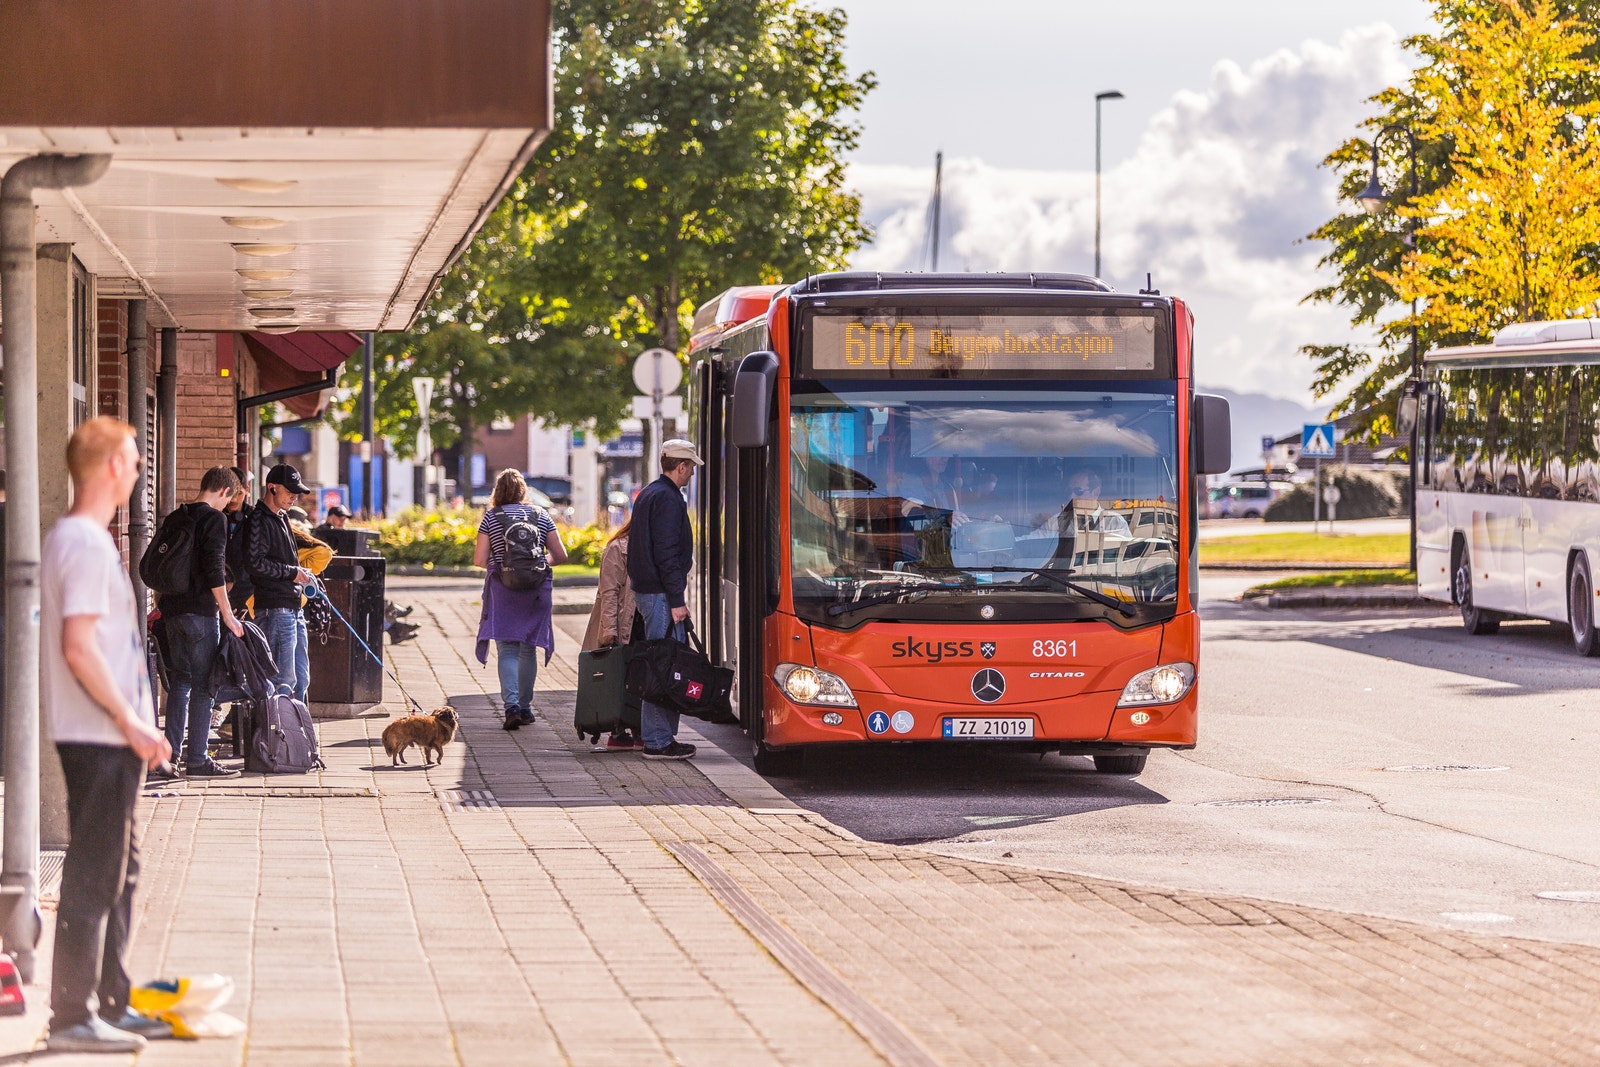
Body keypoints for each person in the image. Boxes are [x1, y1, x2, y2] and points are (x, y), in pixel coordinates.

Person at [41, 417, 174, 1053]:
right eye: (134, 459)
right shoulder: (85, 545)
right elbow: (80, 647)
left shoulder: (81, 539)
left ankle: (111, 1000)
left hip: (108, 730)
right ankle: (72, 1015)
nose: (140, 470)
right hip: (99, 733)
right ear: (112, 467)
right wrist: (131, 722)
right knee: (97, 870)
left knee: (119, 871)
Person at [154, 466, 246, 780]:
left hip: (172, 611)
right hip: (201, 613)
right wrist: (227, 613)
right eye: (229, 500)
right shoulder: (214, 519)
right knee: (206, 686)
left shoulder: (176, 517)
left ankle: (169, 756)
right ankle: (197, 759)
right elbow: (214, 571)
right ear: (224, 491)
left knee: (180, 682)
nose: (227, 507)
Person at [474, 469, 567, 730]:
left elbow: (480, 559)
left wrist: (504, 566)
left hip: (503, 590)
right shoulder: (541, 515)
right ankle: (526, 708)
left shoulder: (491, 517)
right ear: (523, 491)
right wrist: (538, 565)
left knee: (507, 649)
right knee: (529, 647)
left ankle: (511, 706)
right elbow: (561, 555)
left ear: (497, 492)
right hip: (536, 590)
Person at [627, 440, 703, 760]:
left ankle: (659, 736)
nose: (692, 473)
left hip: (649, 591)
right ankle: (658, 740)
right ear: (681, 466)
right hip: (661, 594)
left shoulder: (649, 493)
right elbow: (667, 554)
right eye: (691, 468)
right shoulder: (669, 499)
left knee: (661, 663)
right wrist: (676, 599)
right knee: (664, 666)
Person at [246, 463, 315, 698]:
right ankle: (277, 733)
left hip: (293, 606)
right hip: (274, 608)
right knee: (281, 680)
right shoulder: (258, 520)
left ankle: (297, 732)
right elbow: (255, 563)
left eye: (297, 493)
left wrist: (300, 573)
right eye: (289, 492)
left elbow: (285, 560)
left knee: (301, 679)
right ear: (271, 487)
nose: (294, 498)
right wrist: (292, 573)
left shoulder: (283, 517)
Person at [580, 519, 640, 752]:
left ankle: (637, 729)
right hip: (623, 623)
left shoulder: (652, 546)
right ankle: (618, 731)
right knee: (618, 676)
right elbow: (609, 593)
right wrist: (610, 630)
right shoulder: (618, 548)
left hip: (641, 622)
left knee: (638, 677)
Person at [224, 466, 255, 614]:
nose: (234, 499)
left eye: (239, 493)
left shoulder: (256, 517)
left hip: (248, 592)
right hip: (219, 590)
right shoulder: (214, 517)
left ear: (247, 489)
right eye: (231, 494)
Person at [1066, 468, 1132, 538]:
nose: (1071, 496)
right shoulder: (1064, 521)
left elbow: (1127, 548)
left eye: (1078, 491)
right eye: (1069, 491)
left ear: (1095, 492)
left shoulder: (1115, 522)